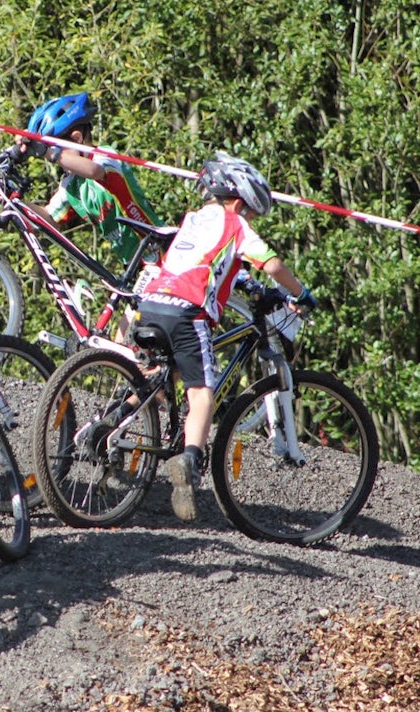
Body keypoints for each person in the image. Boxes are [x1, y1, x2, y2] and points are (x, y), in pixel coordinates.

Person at [135, 152, 317, 522]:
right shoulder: (235, 223)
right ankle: (189, 461)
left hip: (152, 304)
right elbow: (272, 264)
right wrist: (300, 293)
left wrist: (251, 286)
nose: (249, 219)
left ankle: (115, 426)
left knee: (159, 375)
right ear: (237, 201)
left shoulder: (193, 220)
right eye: (250, 211)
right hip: (188, 311)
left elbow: (217, 266)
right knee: (202, 393)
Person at [16, 92, 164, 265]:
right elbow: (48, 218)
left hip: (159, 249)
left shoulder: (106, 155)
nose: (56, 160)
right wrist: (16, 200)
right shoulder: (71, 184)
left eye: (58, 149)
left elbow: (94, 171)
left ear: (77, 138)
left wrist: (47, 151)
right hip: (134, 265)